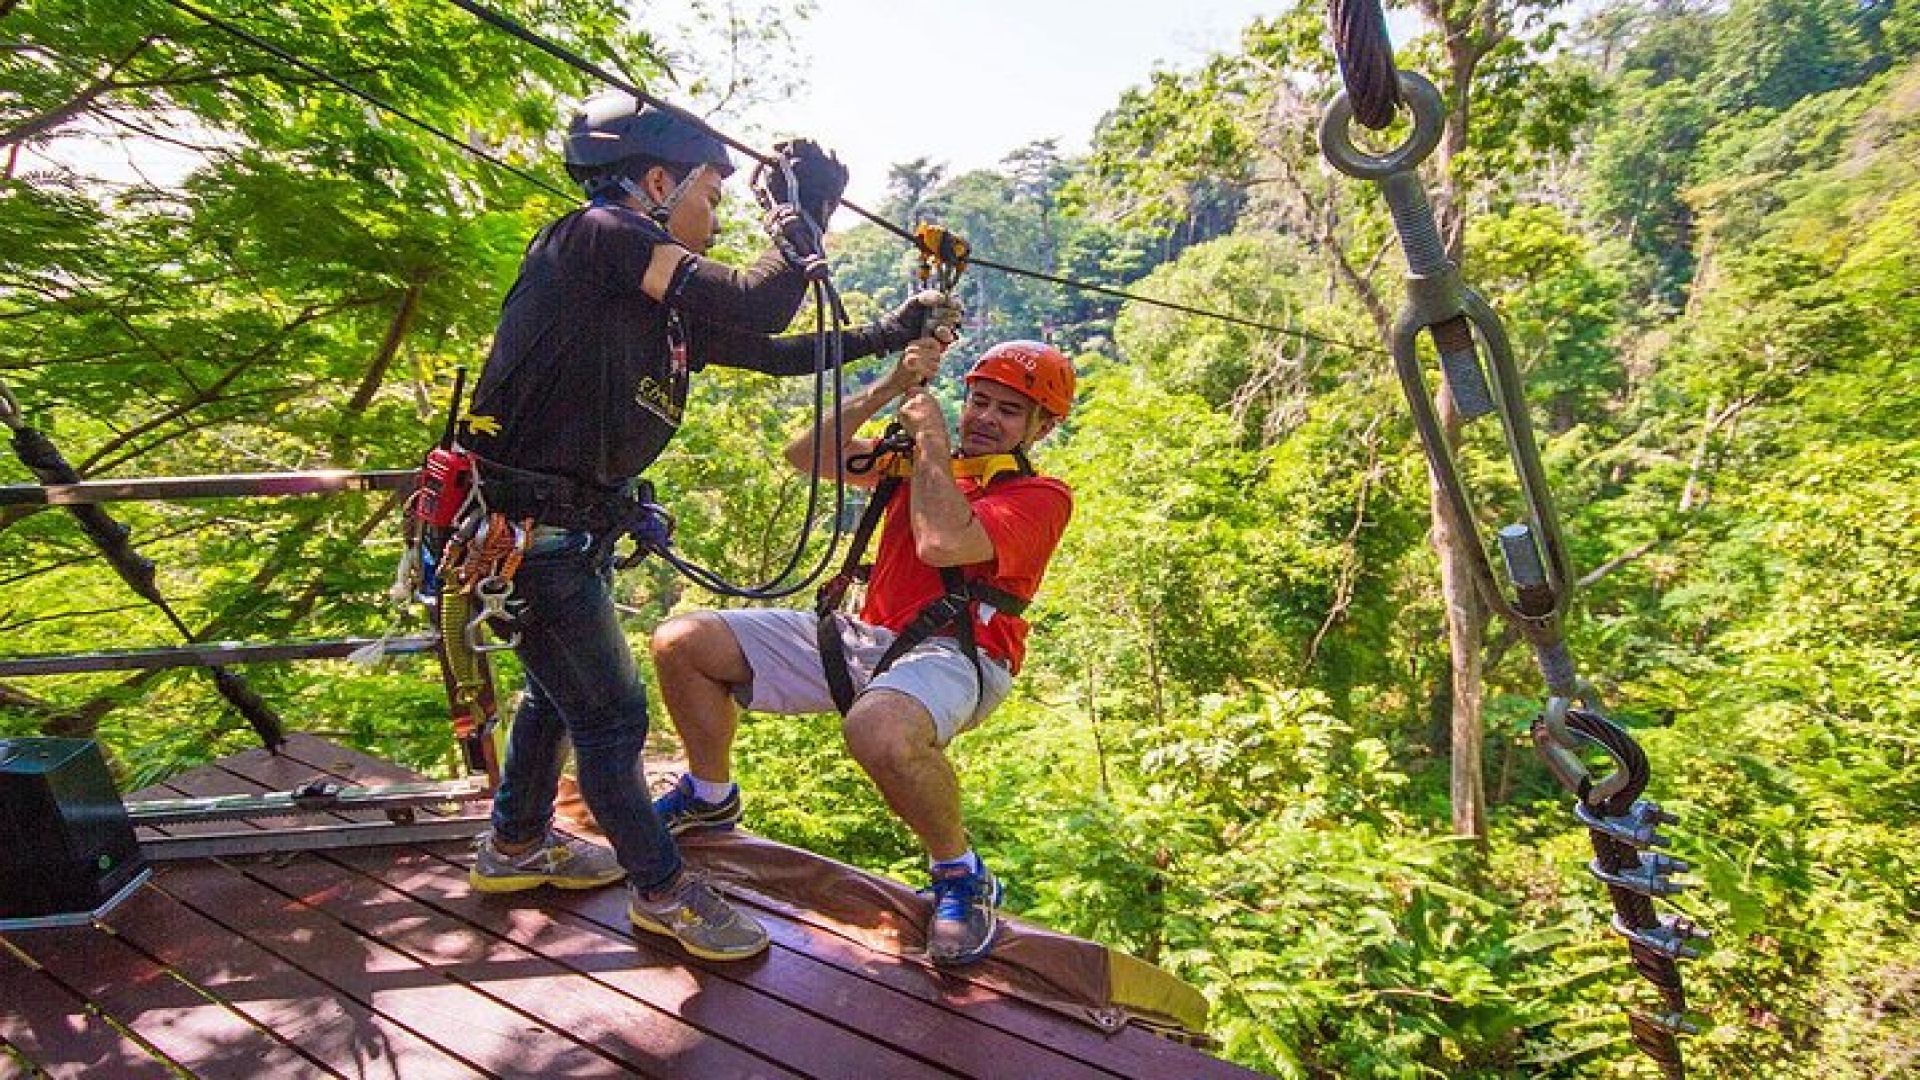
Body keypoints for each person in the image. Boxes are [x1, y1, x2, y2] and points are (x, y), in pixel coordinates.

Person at [458, 90, 945, 963]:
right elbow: (761, 302)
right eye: (710, 195)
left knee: (556, 693)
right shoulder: (599, 237)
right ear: (654, 183)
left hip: (562, 528)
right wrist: (802, 221)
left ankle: (516, 842)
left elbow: (775, 346)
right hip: (533, 534)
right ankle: (663, 890)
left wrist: (890, 332)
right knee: (611, 718)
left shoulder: (649, 299)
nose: (716, 216)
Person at [647, 335, 1077, 966]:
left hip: (960, 652)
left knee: (876, 728)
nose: (985, 417)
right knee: (683, 642)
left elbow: (941, 543)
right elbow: (804, 454)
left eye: (1008, 411)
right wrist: (888, 389)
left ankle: (960, 873)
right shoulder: (922, 462)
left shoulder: (1040, 497)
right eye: (978, 401)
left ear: (1041, 427)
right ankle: (709, 796)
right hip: (867, 636)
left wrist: (929, 441)